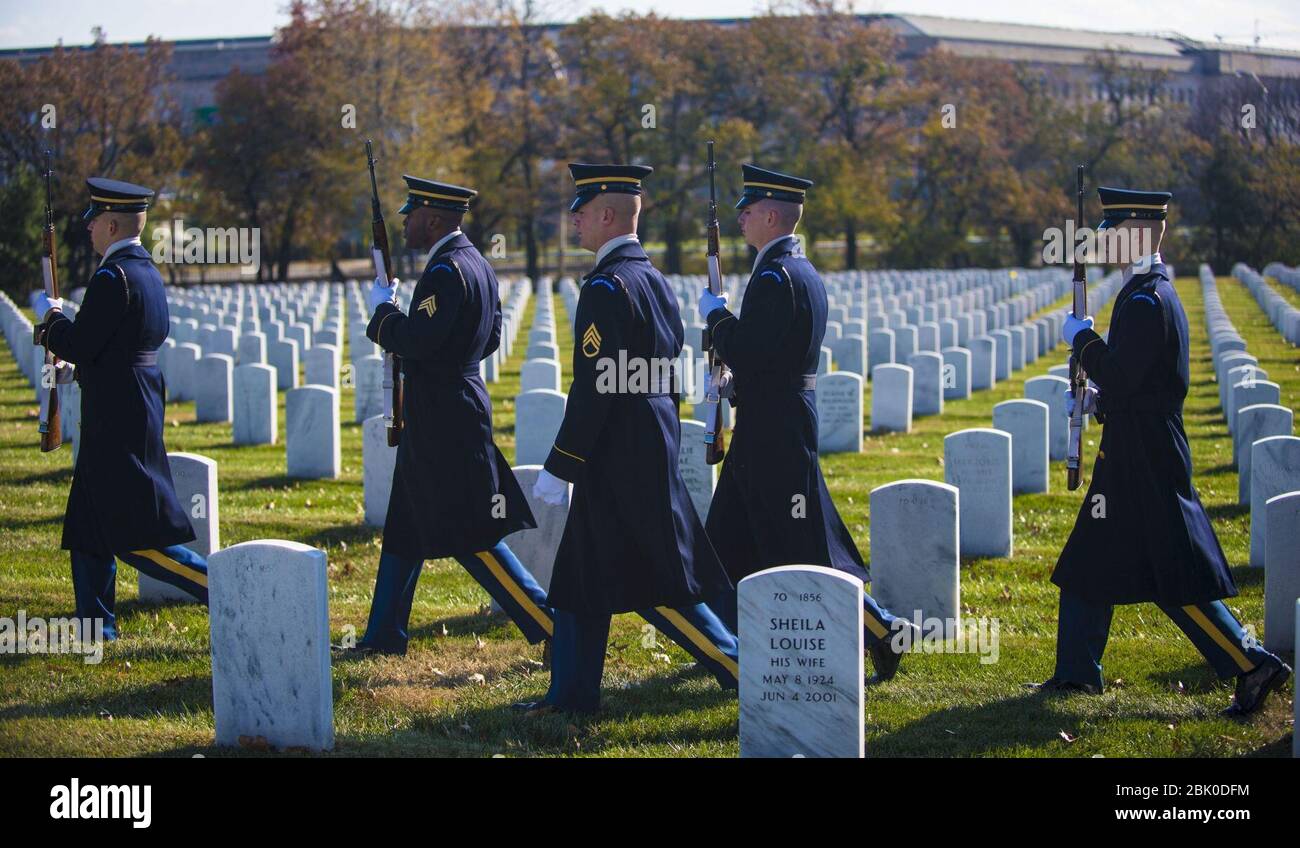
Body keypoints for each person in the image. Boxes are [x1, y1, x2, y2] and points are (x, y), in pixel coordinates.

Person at [1040, 186, 1291, 715]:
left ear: (1137, 233)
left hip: (1144, 456)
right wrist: (1097, 402)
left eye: (1114, 234)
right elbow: (1138, 386)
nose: (1105, 244)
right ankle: (1076, 673)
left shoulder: (1144, 301)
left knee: (1173, 574)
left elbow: (1126, 377)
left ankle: (1252, 662)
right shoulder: (1146, 293)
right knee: (1091, 558)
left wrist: (1083, 341)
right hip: (1135, 446)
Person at [518, 163, 739, 714]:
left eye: (582, 211)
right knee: (581, 572)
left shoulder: (606, 286)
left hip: (619, 453)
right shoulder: (652, 278)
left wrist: (560, 465)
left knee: (659, 577)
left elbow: (596, 387)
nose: (574, 220)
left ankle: (742, 666)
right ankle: (570, 695)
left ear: (608, 215)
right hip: (646, 439)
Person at [697, 165, 909, 681]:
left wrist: (718, 319)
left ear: (772, 215)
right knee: (726, 541)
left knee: (802, 547)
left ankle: (882, 632)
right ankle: (730, 647)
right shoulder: (796, 269)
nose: (741, 216)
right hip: (771, 421)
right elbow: (772, 360)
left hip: (776, 429)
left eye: (749, 209)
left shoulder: (776, 277)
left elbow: (750, 351)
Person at [353, 176, 550, 656]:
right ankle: (383, 635)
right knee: (406, 524)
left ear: (435, 219)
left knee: (472, 531)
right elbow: (492, 338)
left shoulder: (445, 271)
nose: (404, 221)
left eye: (412, 214)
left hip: (445, 415)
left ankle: (549, 620)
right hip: (452, 400)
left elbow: (418, 341)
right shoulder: (476, 263)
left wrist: (383, 315)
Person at [33, 178, 207, 641]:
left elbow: (83, 342)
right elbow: (116, 348)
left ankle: (223, 587)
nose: (88, 230)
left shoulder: (114, 276)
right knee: (89, 527)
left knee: (134, 536)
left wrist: (51, 322)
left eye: (94, 222)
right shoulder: (144, 270)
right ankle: (95, 628)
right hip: (129, 400)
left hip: (117, 413)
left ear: (111, 224)